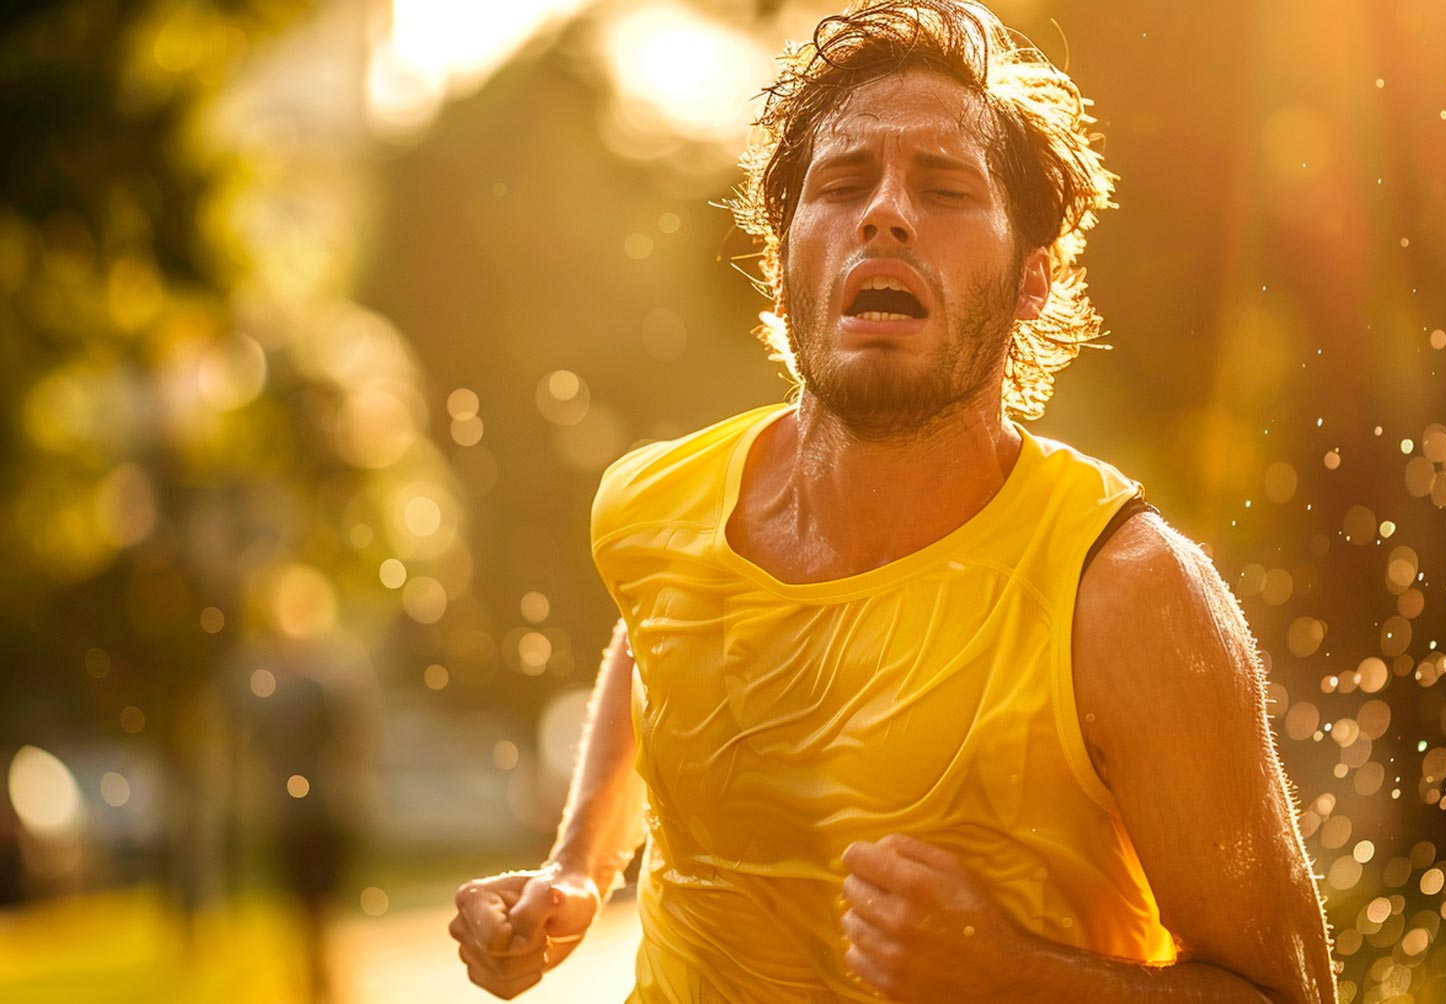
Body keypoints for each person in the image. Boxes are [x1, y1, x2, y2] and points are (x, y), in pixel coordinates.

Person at [450, 1, 1339, 1000]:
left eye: (945, 186)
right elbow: (654, 639)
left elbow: (1285, 994)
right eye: (840, 182)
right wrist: (578, 861)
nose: (883, 211)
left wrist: (1014, 976)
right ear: (784, 269)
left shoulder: (1128, 597)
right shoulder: (657, 504)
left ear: (1028, 283)